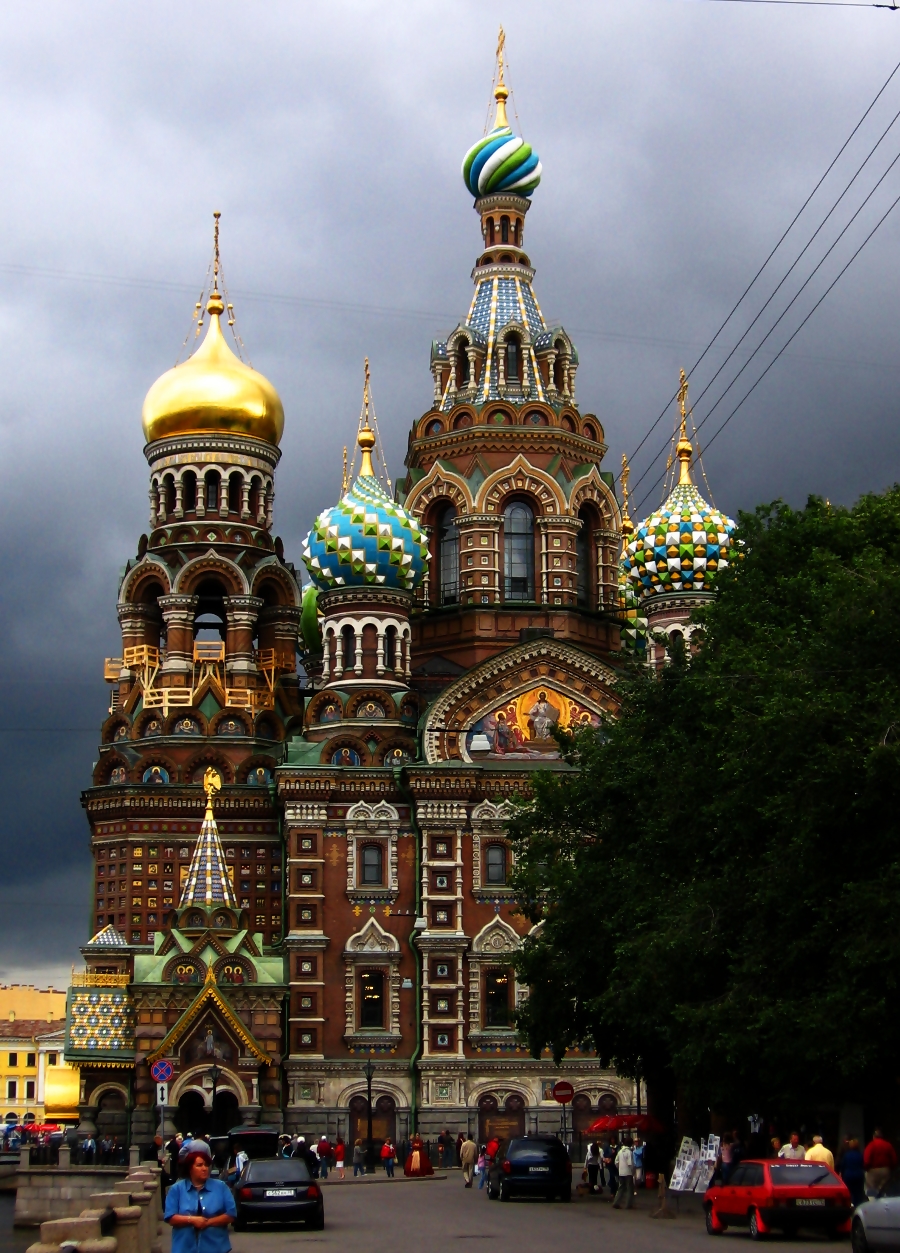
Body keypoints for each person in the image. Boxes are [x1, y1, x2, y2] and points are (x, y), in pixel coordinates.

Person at [164, 1140, 236, 1253]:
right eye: (199, 1165)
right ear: (190, 1168)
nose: (204, 1168)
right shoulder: (176, 1189)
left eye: (206, 1165)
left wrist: (208, 1222)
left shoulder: (221, 1187)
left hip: (216, 1247)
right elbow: (170, 1217)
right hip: (184, 1248)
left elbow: (231, 1214)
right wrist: (192, 1220)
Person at [864, 1129, 897, 1197]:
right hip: (885, 1170)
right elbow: (894, 1159)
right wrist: (891, 1169)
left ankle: (873, 1204)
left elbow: (866, 1159)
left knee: (872, 1190)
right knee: (884, 1189)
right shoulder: (888, 1145)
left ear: (874, 1137)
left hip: (873, 1171)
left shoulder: (871, 1145)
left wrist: (867, 1168)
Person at [841, 1138, 866, 1207]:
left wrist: (842, 1175)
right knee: (858, 1193)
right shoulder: (860, 1155)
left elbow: (843, 1165)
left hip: (848, 1176)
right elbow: (863, 1165)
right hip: (859, 1176)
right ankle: (858, 1206)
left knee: (849, 1193)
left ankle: (850, 1205)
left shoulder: (846, 1155)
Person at [613, 1140, 635, 1210]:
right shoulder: (629, 1152)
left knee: (621, 1188)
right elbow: (630, 1163)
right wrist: (633, 1171)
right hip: (628, 1172)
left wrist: (619, 1168)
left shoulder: (620, 1151)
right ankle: (628, 1204)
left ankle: (616, 1202)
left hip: (621, 1172)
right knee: (629, 1189)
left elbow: (616, 1162)